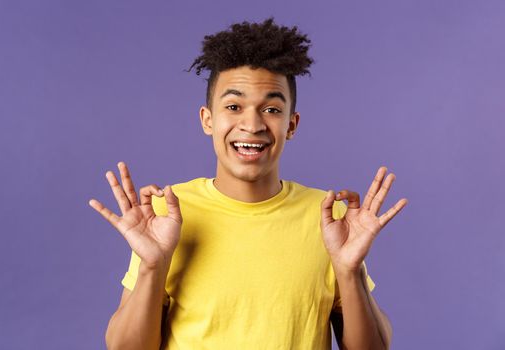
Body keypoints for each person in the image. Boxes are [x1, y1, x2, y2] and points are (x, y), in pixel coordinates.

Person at [89, 17, 408, 350]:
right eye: (233, 106)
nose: (252, 124)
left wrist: (349, 270)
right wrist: (153, 267)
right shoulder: (165, 215)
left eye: (271, 108)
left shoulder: (330, 219)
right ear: (207, 119)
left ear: (292, 124)